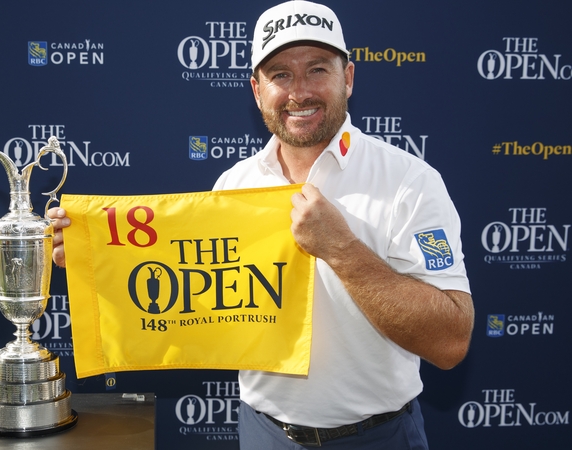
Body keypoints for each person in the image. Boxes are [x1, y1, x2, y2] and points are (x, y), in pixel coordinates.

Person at [49, 1, 474, 448]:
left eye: (317, 69)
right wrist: (95, 259)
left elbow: (450, 342)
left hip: (380, 437)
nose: (300, 92)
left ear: (348, 77)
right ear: (257, 89)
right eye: (281, 75)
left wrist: (341, 250)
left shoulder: (410, 182)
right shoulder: (233, 185)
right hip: (264, 434)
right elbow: (181, 294)